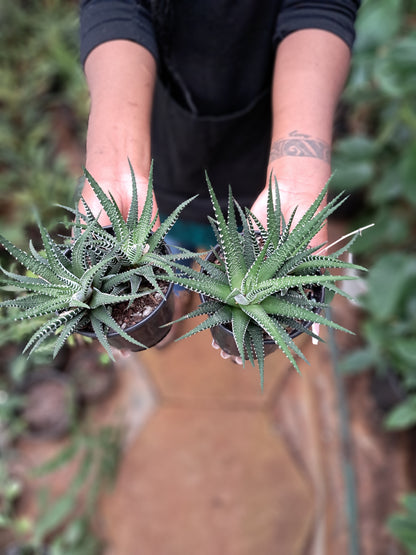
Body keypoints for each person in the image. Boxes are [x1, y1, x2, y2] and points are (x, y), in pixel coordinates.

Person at [79, 0, 360, 356]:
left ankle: (183, 295)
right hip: (157, 145)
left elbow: (321, 7)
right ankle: (173, 297)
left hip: (263, 145)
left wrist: (301, 174)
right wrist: (115, 159)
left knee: (239, 241)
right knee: (164, 244)